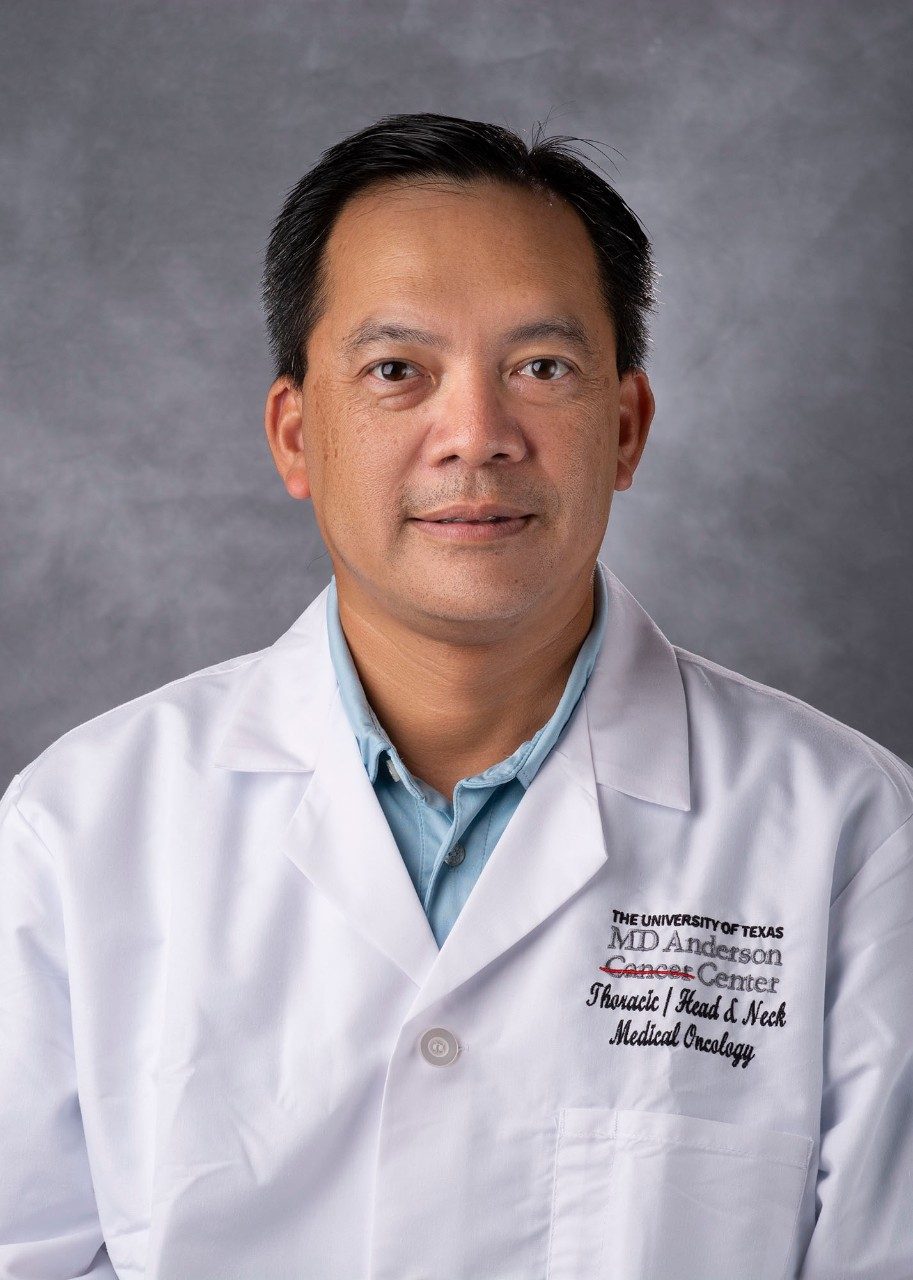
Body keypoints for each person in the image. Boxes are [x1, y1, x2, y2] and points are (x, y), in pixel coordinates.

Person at [1, 111, 910, 1280]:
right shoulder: (77, 831)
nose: (475, 436)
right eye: (398, 370)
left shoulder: (850, 834)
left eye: (541, 368)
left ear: (624, 428)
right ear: (295, 435)